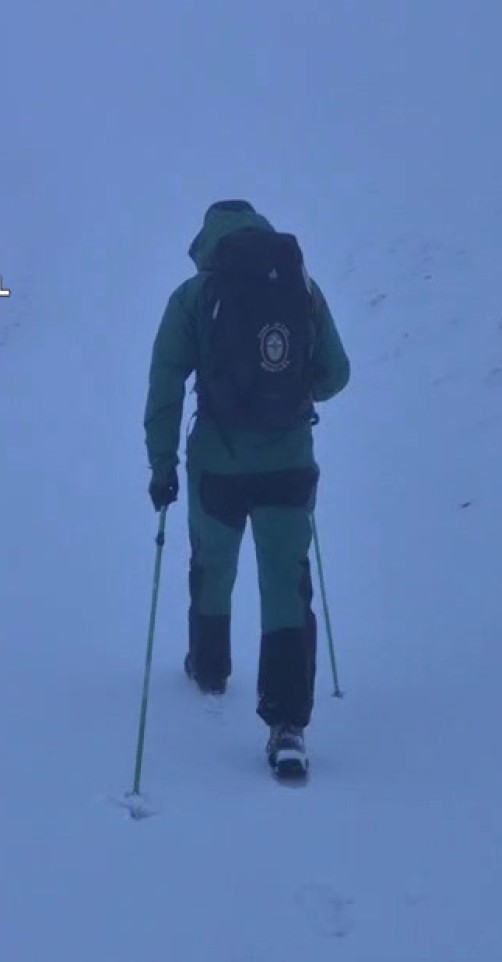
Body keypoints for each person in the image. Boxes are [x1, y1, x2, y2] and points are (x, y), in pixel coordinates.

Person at [143, 199, 351, 777]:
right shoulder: (301, 287)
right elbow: (336, 374)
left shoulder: (193, 297)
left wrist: (161, 467)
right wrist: (288, 393)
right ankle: (287, 729)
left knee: (215, 562)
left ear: (207, 242)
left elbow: (165, 385)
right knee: (286, 584)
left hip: (217, 464)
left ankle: (210, 667)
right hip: (289, 462)